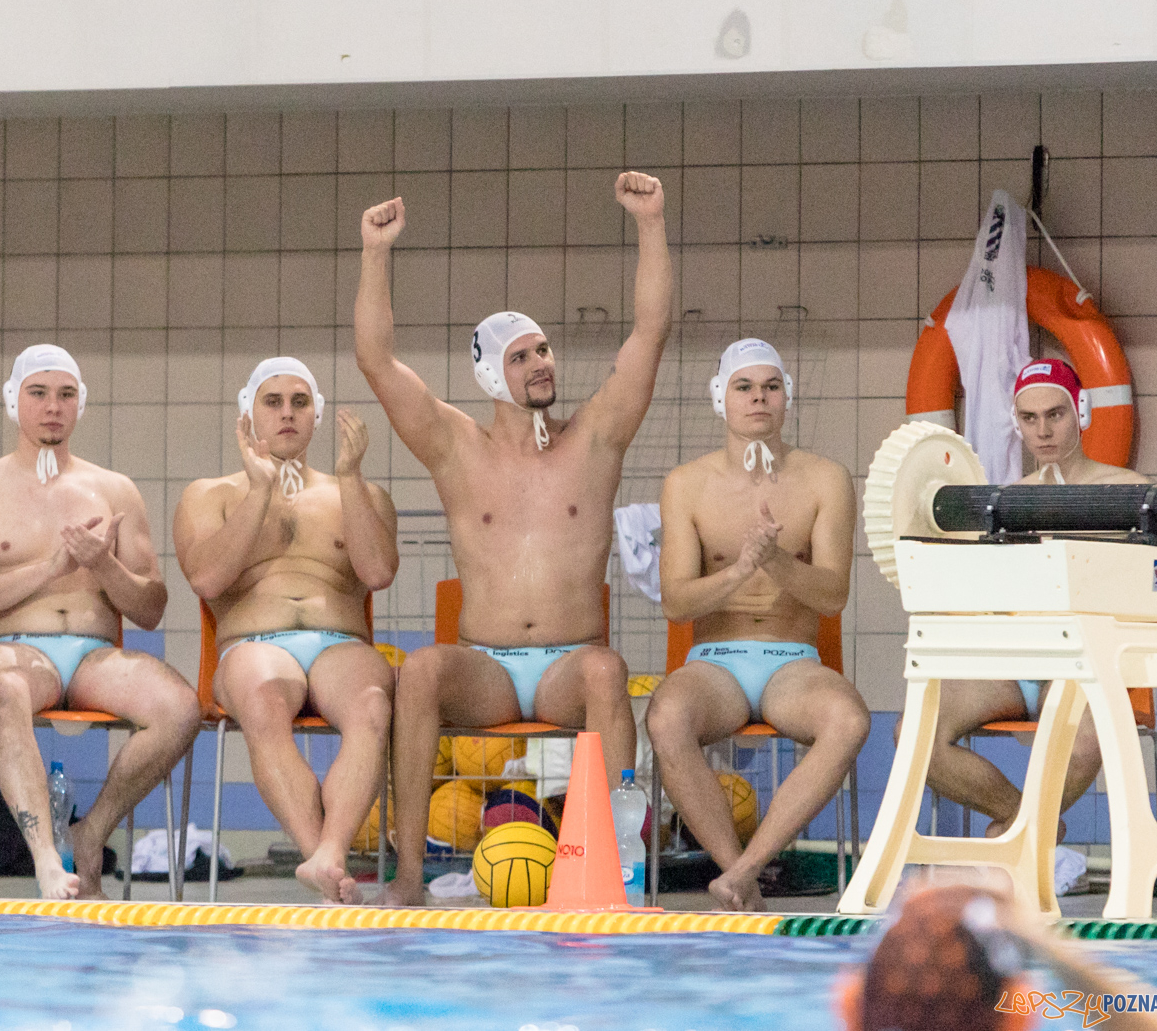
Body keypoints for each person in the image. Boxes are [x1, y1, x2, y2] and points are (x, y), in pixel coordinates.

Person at [356, 171, 673, 906]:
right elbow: (377, 360)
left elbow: (649, 334)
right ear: (490, 374)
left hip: (570, 666)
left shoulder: (594, 438)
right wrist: (375, 253)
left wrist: (651, 223)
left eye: (544, 351)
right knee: (420, 671)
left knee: (607, 671)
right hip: (487, 667)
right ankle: (409, 875)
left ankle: (617, 877)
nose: (542, 364)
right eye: (522, 356)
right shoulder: (453, 446)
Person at [0, 344, 199, 900]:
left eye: (65, 395)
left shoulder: (115, 490)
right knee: (7, 690)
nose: (52, 407)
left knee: (180, 708)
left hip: (92, 656)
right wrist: (47, 568)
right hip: (9, 650)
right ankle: (46, 858)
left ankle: (91, 832)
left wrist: (104, 565)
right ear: (14, 401)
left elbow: (151, 608)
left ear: (81, 404)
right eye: (38, 393)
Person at [646, 338, 869, 911]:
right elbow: (676, 604)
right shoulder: (686, 484)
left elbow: (834, 596)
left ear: (786, 396)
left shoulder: (826, 479)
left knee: (848, 720)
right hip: (715, 664)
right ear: (720, 398)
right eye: (744, 387)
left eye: (771, 387)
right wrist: (740, 570)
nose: (758, 398)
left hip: (791, 662)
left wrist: (777, 563)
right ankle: (736, 877)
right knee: (666, 717)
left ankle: (744, 871)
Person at [173, 357, 398, 904]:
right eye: (272, 402)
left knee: (373, 704)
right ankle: (318, 855)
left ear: (317, 415)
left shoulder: (361, 493)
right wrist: (259, 491)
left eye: (300, 402)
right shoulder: (210, 494)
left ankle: (329, 855)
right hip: (253, 645)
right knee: (264, 700)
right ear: (248, 415)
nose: (287, 413)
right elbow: (206, 579)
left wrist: (351, 478)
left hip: (340, 643)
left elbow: (377, 573)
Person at [917, 358, 1148, 841]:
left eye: (1055, 414)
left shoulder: (1129, 493)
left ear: (1080, 411)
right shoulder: (1006, 501)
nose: (1042, 431)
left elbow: (1148, 590)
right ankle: (1029, 827)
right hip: (1018, 664)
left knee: (1085, 740)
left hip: (1089, 662)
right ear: (1016, 423)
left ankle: (1016, 836)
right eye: (1029, 418)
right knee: (916, 734)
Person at [836, 881, 1157, 1031]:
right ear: (1019, 1017)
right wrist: (1045, 942)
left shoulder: (855, 1005)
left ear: (848, 1006)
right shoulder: (1017, 1013)